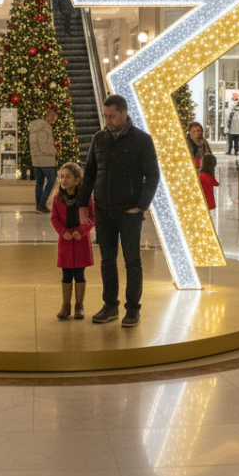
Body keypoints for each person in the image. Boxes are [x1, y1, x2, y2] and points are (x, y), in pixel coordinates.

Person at [79, 94, 160, 328]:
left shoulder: (142, 140)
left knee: (132, 261)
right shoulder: (99, 138)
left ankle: (133, 309)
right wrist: (84, 204)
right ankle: (110, 305)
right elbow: (90, 172)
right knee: (107, 260)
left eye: (112, 116)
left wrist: (141, 205)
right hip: (104, 210)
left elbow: (153, 175)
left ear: (124, 113)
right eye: (105, 116)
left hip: (130, 212)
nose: (108, 120)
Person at [51, 162, 94, 320]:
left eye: (68, 176)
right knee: (66, 275)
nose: (64, 179)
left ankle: (79, 306)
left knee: (80, 275)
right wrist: (63, 232)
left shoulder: (85, 197)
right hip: (66, 243)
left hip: (81, 242)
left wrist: (82, 231)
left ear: (77, 180)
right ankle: (66, 306)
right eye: (62, 176)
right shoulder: (57, 198)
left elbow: (92, 217)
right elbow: (54, 218)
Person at [29, 108, 59, 214]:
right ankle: (41, 205)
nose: (55, 120)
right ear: (49, 117)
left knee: (40, 182)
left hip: (36, 158)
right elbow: (43, 145)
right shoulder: (45, 127)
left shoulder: (34, 128)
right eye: (54, 117)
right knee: (51, 181)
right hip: (45, 159)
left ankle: (39, 205)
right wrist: (54, 151)